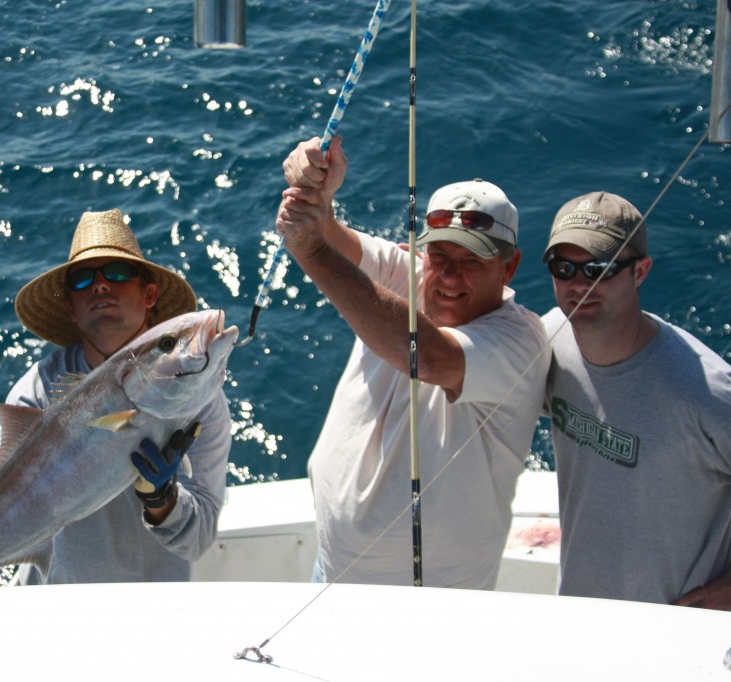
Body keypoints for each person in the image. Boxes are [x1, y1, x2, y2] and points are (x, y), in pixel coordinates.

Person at [0, 208, 232, 588]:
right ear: (71, 309)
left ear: (148, 294)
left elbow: (198, 539)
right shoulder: (40, 386)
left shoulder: (204, 403)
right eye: (83, 280)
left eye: (116, 273)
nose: (100, 286)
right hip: (50, 598)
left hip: (149, 598)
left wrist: (162, 498)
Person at [277, 136, 549, 588]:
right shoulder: (411, 273)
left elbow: (427, 356)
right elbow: (325, 232)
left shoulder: (520, 341)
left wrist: (309, 251)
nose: (447, 276)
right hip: (331, 569)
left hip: (434, 602)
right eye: (439, 254)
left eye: (472, 260)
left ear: (509, 267)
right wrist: (316, 190)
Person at [541, 191, 731, 609]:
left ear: (640, 272)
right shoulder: (550, 337)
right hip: (577, 615)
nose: (578, 284)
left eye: (599, 269)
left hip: (676, 632)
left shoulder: (707, 391)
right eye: (564, 267)